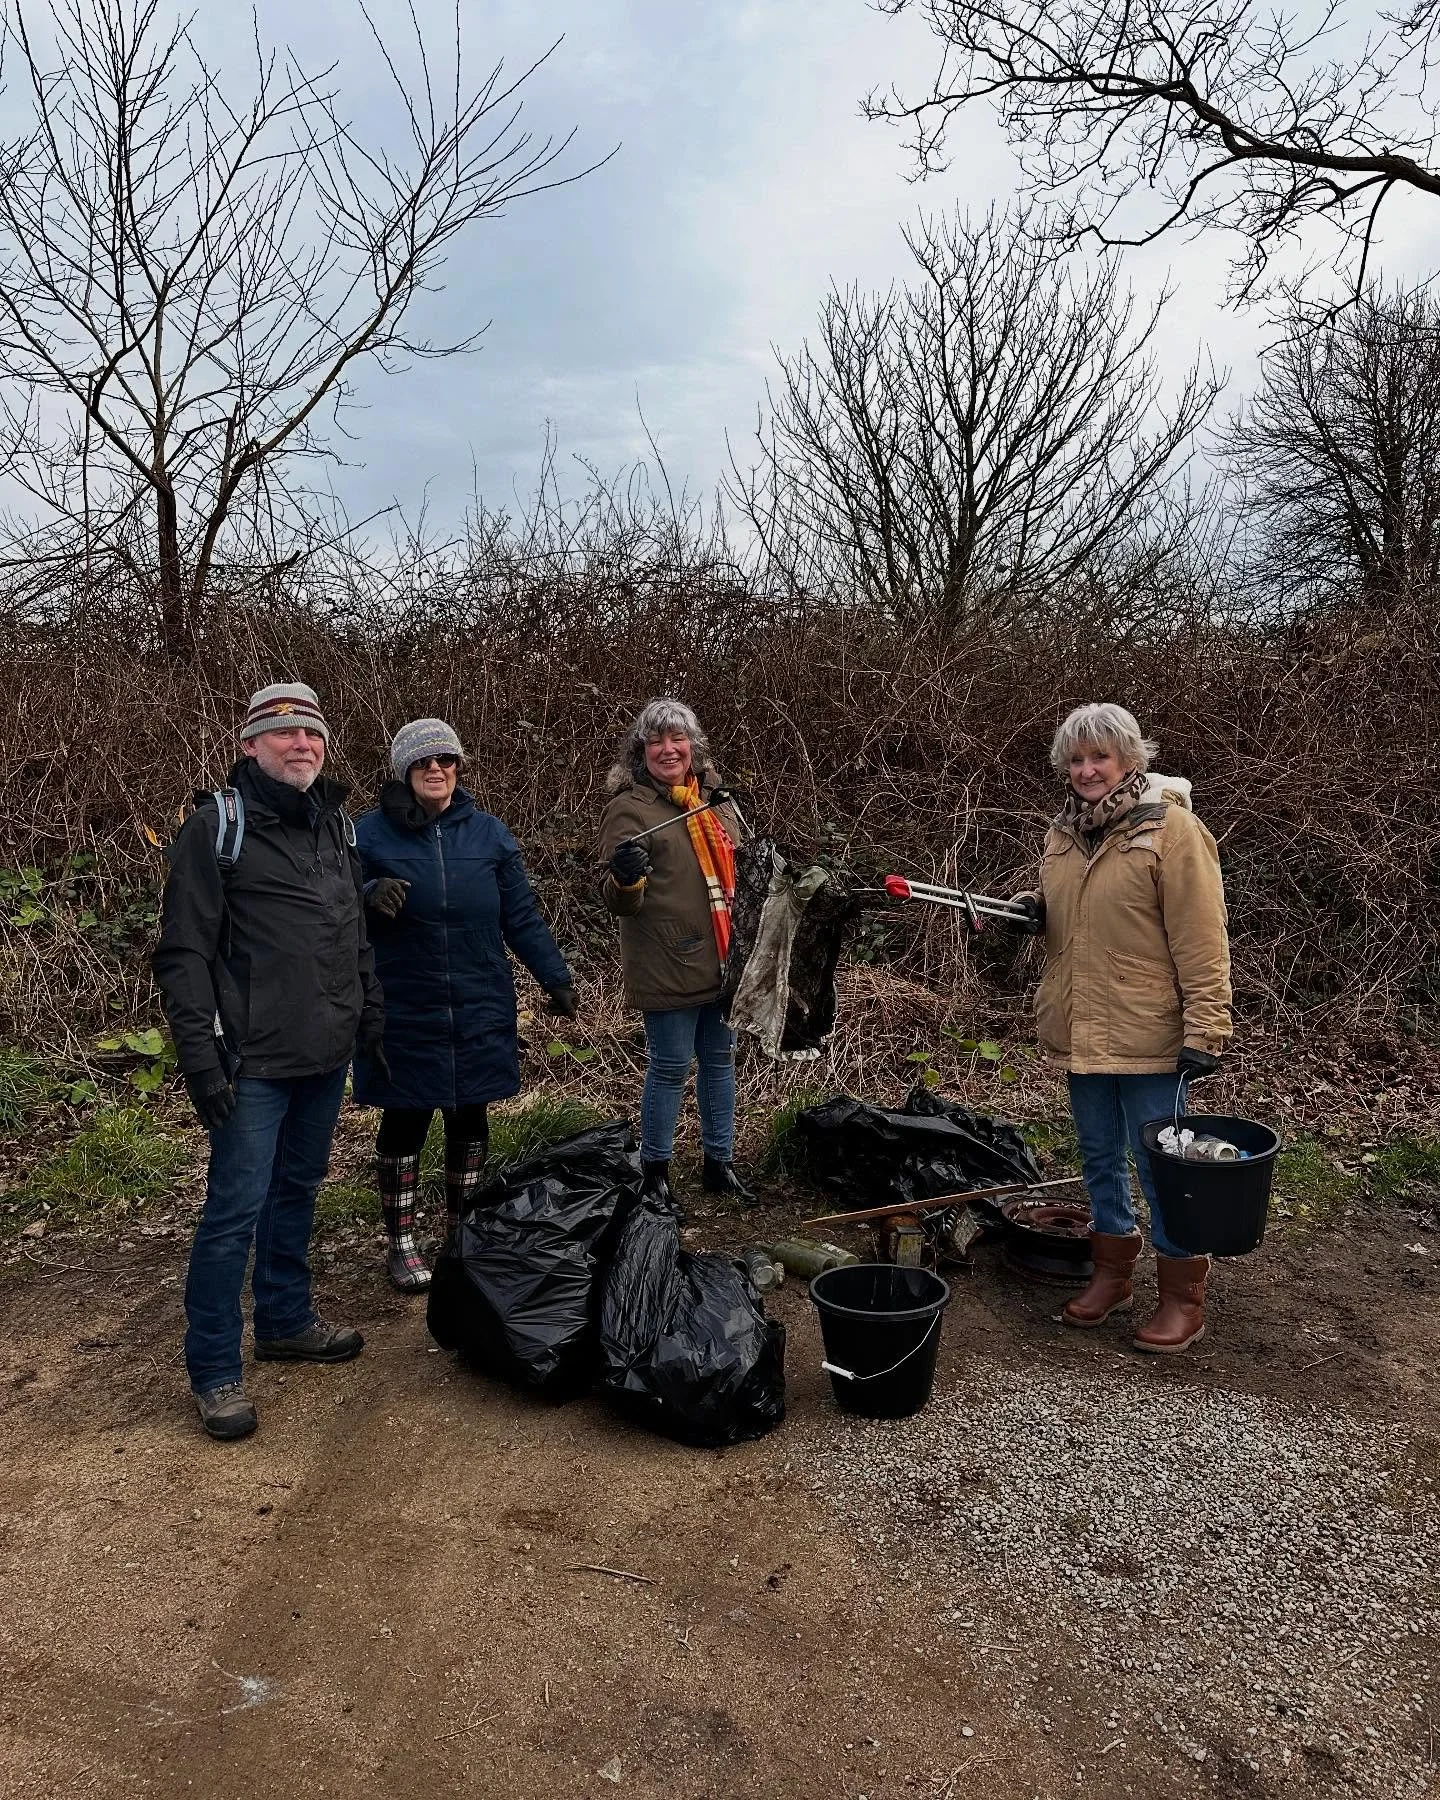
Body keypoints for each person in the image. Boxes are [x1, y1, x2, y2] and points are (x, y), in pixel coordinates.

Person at [154, 681, 382, 1441]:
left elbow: (353, 937)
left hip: (324, 1054)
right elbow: (184, 954)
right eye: (284, 735)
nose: (302, 746)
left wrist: (368, 1016)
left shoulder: (337, 829)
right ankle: (215, 1370)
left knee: (297, 1192)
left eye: (312, 735)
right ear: (250, 745)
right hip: (249, 1063)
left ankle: (285, 1321)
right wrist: (200, 1061)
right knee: (232, 1213)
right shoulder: (214, 829)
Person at [1019, 702, 1232, 1353]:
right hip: (1085, 1030)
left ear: (1130, 760)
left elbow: (1202, 938)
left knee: (1161, 1165)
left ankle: (1182, 1298)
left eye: (1099, 757)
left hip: (1150, 1036)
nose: (1086, 770)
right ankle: (1112, 1275)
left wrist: (1207, 1027)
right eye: (1076, 760)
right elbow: (1073, 917)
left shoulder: (1172, 830)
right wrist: (1033, 911)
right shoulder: (1063, 835)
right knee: (1100, 1158)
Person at [353, 718, 576, 1290]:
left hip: (479, 998)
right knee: (405, 1118)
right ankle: (402, 1244)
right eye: (424, 761)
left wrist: (554, 977)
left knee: (470, 1115)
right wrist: (365, 895)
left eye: (446, 760)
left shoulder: (489, 835)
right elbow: (325, 907)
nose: (436, 769)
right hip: (404, 1002)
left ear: (457, 768)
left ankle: (461, 1235)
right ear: (403, 770)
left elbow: (520, 915)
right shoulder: (367, 836)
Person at [598, 698, 752, 1205]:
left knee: (719, 1061)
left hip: (723, 957)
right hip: (668, 961)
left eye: (677, 739)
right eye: (656, 741)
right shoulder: (630, 809)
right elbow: (620, 899)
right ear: (640, 752)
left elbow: (744, 869)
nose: (668, 750)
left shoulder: (716, 803)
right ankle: (656, 1174)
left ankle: (719, 1163)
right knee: (669, 1067)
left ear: (693, 747)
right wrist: (625, 875)